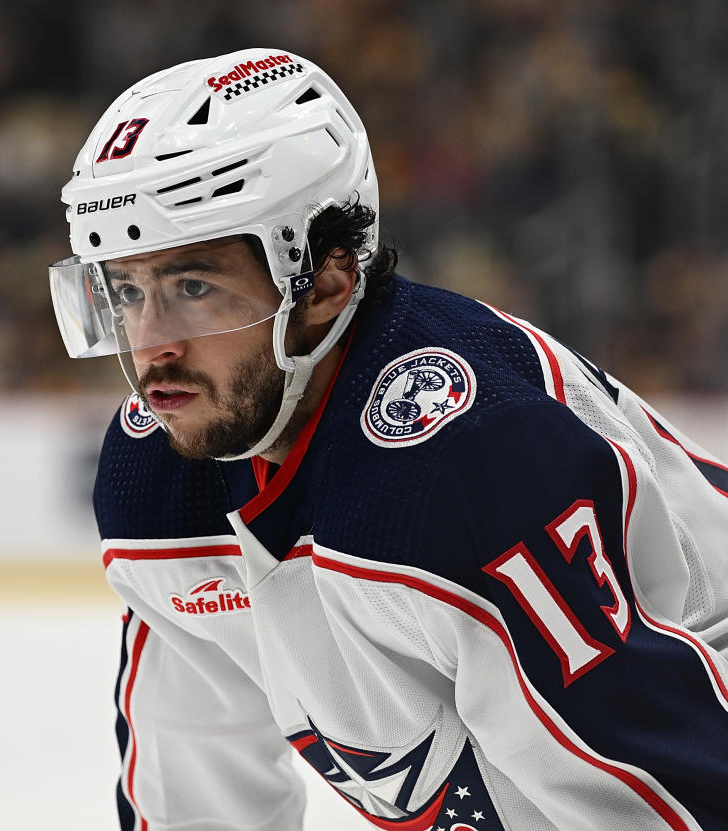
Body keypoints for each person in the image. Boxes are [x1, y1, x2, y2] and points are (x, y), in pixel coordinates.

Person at [48, 47, 728, 830]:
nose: (151, 348)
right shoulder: (159, 479)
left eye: (194, 287)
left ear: (329, 279)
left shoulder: (462, 459)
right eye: (127, 290)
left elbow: (665, 794)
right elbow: (196, 801)